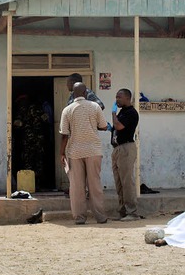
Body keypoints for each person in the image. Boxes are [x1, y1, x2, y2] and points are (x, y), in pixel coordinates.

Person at [59, 82, 109, 225]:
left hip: (75, 152)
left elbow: (64, 135)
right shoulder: (95, 107)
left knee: (76, 187)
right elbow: (104, 126)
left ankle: (80, 217)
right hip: (94, 150)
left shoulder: (67, 110)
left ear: (73, 94)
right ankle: (100, 217)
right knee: (95, 184)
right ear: (86, 93)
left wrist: (61, 153)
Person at [111, 88, 141, 221]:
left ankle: (132, 212)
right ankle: (122, 211)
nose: (117, 99)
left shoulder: (131, 113)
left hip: (126, 149)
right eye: (116, 97)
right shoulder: (123, 112)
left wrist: (113, 113)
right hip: (118, 149)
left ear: (127, 98)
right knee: (119, 182)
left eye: (119, 97)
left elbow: (118, 126)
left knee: (127, 182)